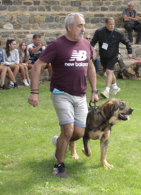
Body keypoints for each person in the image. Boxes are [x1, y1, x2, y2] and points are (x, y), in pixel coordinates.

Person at [28, 12, 99, 177]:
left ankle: (58, 141)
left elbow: (90, 68)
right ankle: (59, 166)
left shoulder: (86, 45)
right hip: (61, 93)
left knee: (79, 133)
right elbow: (38, 66)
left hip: (80, 94)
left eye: (84, 25)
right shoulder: (57, 45)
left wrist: (94, 90)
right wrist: (34, 92)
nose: (83, 29)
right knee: (67, 131)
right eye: (80, 26)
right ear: (69, 27)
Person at [90, 17, 133, 99]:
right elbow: (92, 43)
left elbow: (127, 42)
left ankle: (106, 91)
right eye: (110, 24)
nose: (112, 26)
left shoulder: (118, 33)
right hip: (103, 55)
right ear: (106, 24)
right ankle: (115, 87)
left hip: (113, 55)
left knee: (108, 71)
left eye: (113, 24)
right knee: (110, 72)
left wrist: (129, 52)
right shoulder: (99, 32)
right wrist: (92, 51)